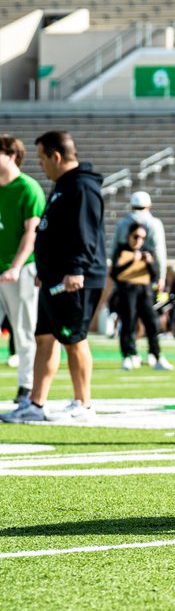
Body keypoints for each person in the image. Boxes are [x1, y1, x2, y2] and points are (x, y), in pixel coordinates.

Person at [2, 131, 106, 423]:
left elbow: (85, 234)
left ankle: (84, 403)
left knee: (74, 338)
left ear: (56, 156)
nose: (40, 164)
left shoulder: (82, 186)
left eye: (41, 157)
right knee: (44, 338)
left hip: (75, 278)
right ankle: (36, 404)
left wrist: (76, 270)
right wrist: (46, 271)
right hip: (54, 277)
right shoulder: (63, 185)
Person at [0, 135, 45, 411]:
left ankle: (26, 386)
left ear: (11, 155)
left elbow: (32, 232)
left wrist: (16, 266)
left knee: (24, 330)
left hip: (22, 270)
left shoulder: (28, 188)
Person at [111, 224, 172, 371]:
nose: (139, 240)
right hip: (127, 292)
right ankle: (129, 355)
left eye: (142, 238)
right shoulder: (121, 250)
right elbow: (114, 273)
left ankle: (156, 355)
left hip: (144, 292)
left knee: (152, 323)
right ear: (129, 236)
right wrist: (133, 260)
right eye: (136, 237)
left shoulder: (147, 251)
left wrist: (150, 263)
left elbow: (154, 275)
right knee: (128, 324)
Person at [111, 190, 167, 293]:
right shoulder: (154, 224)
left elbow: (113, 250)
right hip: (144, 276)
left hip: (124, 277)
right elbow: (159, 252)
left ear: (131, 206)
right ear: (149, 206)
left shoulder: (122, 223)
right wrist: (161, 277)